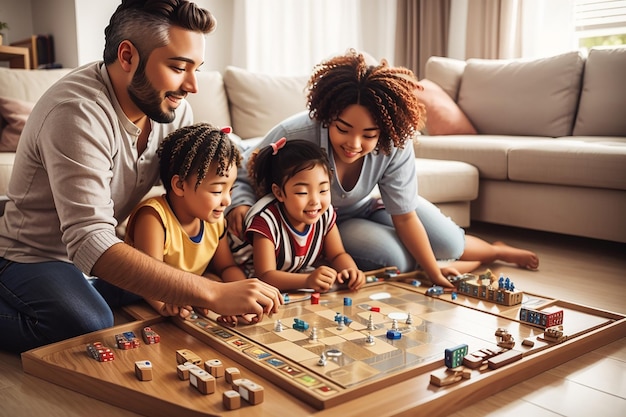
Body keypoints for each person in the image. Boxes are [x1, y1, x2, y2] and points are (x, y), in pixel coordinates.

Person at [0, 0, 282, 354]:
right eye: (179, 67)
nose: (192, 85)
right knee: (86, 322)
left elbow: (191, 188)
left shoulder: (172, 112)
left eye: (196, 68)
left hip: (84, 258)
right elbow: (91, 241)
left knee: (172, 285)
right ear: (128, 56)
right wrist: (212, 292)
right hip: (30, 254)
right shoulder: (76, 112)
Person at [227, 49, 539, 290]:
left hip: (375, 205)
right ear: (327, 116)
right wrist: (239, 204)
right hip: (331, 221)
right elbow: (245, 167)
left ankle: (495, 251)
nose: (354, 143)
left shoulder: (396, 140)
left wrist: (432, 274)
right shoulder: (296, 133)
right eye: (343, 129)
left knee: (450, 243)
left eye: (369, 135)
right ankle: (440, 264)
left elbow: (403, 215)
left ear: (385, 132)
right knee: (395, 260)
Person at [125, 123, 248, 319]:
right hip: (137, 297)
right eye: (217, 191)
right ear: (180, 185)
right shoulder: (153, 218)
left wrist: (241, 296)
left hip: (182, 293)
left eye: (230, 190)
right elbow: (148, 280)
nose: (227, 201)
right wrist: (166, 305)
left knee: (215, 279)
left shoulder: (214, 218)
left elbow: (226, 267)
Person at [238, 138, 365, 293]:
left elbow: (337, 254)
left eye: (323, 190)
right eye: (302, 192)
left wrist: (351, 270)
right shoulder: (266, 220)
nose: (315, 201)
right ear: (279, 193)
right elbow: (265, 275)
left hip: (294, 276)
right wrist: (307, 280)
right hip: (247, 279)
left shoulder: (323, 214)